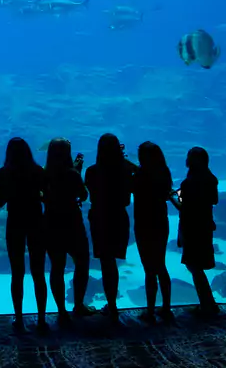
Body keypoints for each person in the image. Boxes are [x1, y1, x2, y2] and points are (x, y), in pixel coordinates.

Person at [0, 137, 48, 332]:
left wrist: (11, 192)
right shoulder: (38, 170)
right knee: (38, 272)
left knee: (17, 273)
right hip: (36, 222)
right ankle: (41, 319)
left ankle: (19, 319)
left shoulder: (4, 172)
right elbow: (46, 196)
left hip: (15, 223)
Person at [84, 133, 137, 319]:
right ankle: (112, 305)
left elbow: (87, 194)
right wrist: (124, 162)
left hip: (100, 218)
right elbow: (140, 177)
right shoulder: (125, 171)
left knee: (106, 262)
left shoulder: (92, 171)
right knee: (112, 262)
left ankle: (112, 304)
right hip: (119, 217)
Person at [43, 137, 93, 327]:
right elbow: (83, 195)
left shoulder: (44, 174)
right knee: (82, 263)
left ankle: (61, 311)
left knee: (57, 267)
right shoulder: (72, 174)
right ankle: (78, 305)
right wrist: (77, 172)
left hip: (51, 223)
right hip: (72, 223)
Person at [173, 146, 219, 317]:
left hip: (192, 228)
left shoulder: (188, 183)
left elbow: (184, 207)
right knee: (197, 265)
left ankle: (208, 305)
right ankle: (208, 303)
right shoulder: (211, 179)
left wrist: (172, 197)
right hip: (205, 226)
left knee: (194, 266)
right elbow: (214, 200)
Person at [133, 141, 174, 323]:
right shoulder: (164, 172)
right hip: (160, 222)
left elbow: (132, 186)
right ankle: (166, 307)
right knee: (160, 265)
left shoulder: (140, 175)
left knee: (149, 269)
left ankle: (150, 311)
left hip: (144, 224)